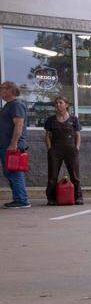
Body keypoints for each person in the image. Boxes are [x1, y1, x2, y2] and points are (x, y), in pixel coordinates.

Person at [42, 97, 84, 205]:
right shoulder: (51, 119)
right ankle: (51, 199)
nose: (58, 105)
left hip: (71, 150)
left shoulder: (73, 119)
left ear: (66, 105)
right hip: (55, 150)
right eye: (56, 103)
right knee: (52, 176)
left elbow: (78, 135)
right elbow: (47, 136)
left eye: (61, 103)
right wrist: (50, 148)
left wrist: (77, 148)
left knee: (75, 176)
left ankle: (78, 197)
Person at [1, 81, 30, 209]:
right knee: (9, 172)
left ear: (10, 91)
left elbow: (19, 125)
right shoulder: (8, 105)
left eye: (2, 88)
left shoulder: (16, 105)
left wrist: (14, 144)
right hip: (5, 145)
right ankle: (18, 198)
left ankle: (22, 200)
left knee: (14, 172)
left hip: (12, 146)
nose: (0, 90)